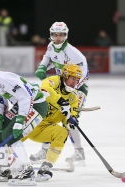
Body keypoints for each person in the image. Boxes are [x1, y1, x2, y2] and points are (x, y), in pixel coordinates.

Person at [0, 52, 48, 185]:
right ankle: (4, 167)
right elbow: (0, 100)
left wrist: (20, 120)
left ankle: (26, 170)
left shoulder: (3, 79)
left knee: (10, 134)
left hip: (36, 104)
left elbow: (26, 96)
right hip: (22, 104)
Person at [32, 22, 89, 166]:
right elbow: (48, 57)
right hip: (60, 88)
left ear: (66, 35)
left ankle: (79, 153)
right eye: (55, 35)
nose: (58, 38)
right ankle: (45, 149)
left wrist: (71, 92)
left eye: (61, 35)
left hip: (76, 89)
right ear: (51, 35)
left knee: (70, 121)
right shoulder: (51, 46)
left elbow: (84, 75)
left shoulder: (74, 55)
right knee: (48, 115)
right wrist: (42, 67)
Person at [24, 63, 82, 181]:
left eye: (77, 80)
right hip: (29, 121)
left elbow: (72, 113)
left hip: (44, 129)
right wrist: (61, 101)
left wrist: (71, 121)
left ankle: (45, 168)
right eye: (72, 79)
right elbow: (45, 90)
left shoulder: (73, 97)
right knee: (7, 143)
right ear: (65, 76)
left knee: (62, 133)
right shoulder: (52, 81)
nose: (74, 83)